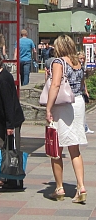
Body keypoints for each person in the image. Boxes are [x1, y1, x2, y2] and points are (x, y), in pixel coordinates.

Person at [45, 35, 87, 203]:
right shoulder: (78, 62)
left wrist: (48, 108)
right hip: (78, 103)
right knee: (74, 149)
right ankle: (81, 186)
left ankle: (59, 187)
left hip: (63, 105)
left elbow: (55, 85)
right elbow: (82, 83)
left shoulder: (58, 62)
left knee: (57, 148)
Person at [0, 52, 25, 190]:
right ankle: (4, 175)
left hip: (10, 120)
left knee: (12, 149)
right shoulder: (2, 77)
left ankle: (14, 178)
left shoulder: (3, 79)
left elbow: (8, 103)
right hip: (6, 120)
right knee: (1, 146)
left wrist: (10, 125)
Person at [77, 51, 94, 134]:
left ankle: (85, 127)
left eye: (83, 58)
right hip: (77, 92)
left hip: (81, 90)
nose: (82, 60)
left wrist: (86, 90)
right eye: (81, 58)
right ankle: (83, 127)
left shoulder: (82, 67)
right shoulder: (77, 67)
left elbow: (83, 81)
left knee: (82, 110)